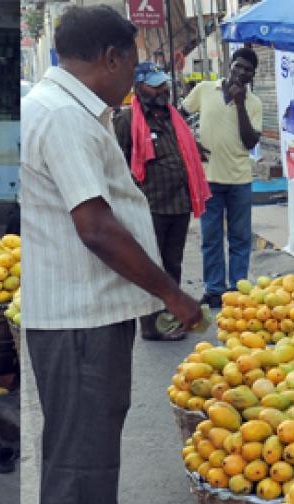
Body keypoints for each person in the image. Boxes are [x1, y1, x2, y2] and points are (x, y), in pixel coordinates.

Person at [20, 6, 202, 504]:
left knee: (83, 465)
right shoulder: (62, 118)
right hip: (80, 324)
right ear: (112, 57)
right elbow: (95, 227)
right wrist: (170, 292)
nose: (136, 76)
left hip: (84, 317)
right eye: (134, 64)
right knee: (83, 469)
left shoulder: (63, 109)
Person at [113, 62, 210, 341]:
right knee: (152, 267)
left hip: (178, 204)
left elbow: (182, 150)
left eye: (163, 84)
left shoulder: (172, 117)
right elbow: (118, 165)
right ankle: (151, 326)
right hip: (150, 207)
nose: (162, 89)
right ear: (139, 88)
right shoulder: (127, 121)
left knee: (173, 264)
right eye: (155, 85)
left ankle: (170, 317)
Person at [182, 47, 262, 308]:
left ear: (253, 75)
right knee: (211, 238)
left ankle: (237, 289)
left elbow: (250, 141)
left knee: (240, 239)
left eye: (248, 70)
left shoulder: (254, 103)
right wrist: (192, 145)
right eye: (238, 66)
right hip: (209, 178)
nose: (241, 72)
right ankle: (215, 290)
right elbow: (178, 116)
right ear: (230, 65)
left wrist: (240, 105)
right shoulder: (205, 89)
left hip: (240, 179)